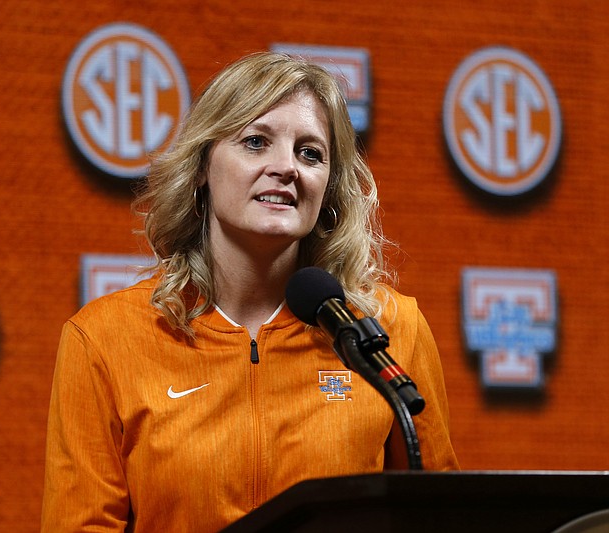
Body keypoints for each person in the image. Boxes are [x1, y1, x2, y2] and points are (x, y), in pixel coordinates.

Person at [42, 51, 458, 532]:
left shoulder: (387, 329)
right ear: (201, 168)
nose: (286, 168)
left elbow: (435, 515)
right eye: (256, 142)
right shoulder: (104, 338)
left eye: (310, 153)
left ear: (329, 186)